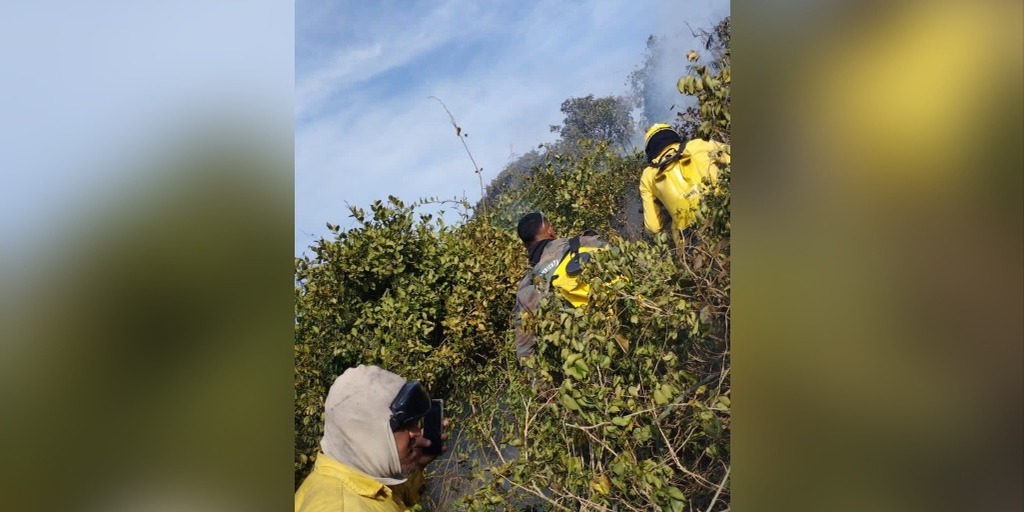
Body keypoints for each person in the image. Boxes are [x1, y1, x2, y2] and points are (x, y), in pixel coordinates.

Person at [295, 365, 448, 511]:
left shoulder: (355, 477)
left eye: (415, 422)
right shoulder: (341, 507)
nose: (415, 432)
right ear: (365, 433)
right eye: (404, 425)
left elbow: (389, 499)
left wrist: (418, 464)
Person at [512, 212, 607, 359]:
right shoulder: (579, 243)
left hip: (589, 351)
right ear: (550, 230)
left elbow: (525, 348)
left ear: (525, 246)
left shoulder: (526, 289)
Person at [638, 123, 730, 243]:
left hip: (690, 239)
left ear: (649, 149)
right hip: (723, 213)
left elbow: (653, 227)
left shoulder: (647, 176)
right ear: (673, 134)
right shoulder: (698, 144)